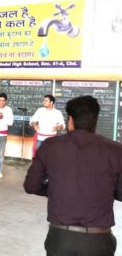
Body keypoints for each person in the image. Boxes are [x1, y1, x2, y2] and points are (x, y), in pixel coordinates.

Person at [24, 95, 120, 256]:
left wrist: (55, 188)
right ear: (95, 121)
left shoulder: (50, 146)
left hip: (61, 239)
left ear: (70, 120)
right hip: (99, 241)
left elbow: (31, 186)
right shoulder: (116, 150)